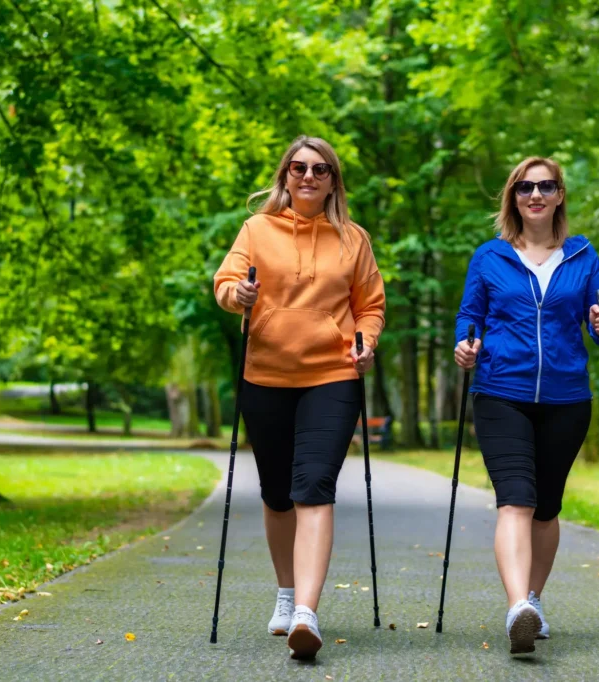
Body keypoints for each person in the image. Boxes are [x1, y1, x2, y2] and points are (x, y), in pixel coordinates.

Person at [213, 136, 386, 660]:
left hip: (333, 375)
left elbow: (371, 305)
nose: (308, 176)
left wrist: (367, 344)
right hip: (266, 374)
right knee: (277, 492)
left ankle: (306, 612)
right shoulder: (256, 229)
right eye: (298, 167)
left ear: (333, 179)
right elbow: (224, 282)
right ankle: (286, 592)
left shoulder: (353, 238)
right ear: (284, 176)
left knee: (314, 484)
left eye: (320, 169)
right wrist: (236, 295)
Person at [453, 156, 599, 656]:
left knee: (546, 507)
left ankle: (534, 600)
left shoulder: (584, 256)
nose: (536, 195)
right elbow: (469, 318)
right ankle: (516, 609)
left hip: (568, 398)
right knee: (516, 499)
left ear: (560, 195)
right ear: (514, 197)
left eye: (546, 186)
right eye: (525, 187)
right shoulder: (490, 257)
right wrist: (466, 346)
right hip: (502, 392)